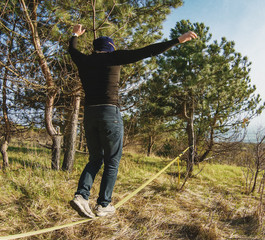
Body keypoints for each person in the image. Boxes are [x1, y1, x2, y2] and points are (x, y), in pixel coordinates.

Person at [68, 24, 197, 218]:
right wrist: (177, 40)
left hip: (90, 115)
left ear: (95, 49)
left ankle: (81, 195)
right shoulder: (115, 57)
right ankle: (104, 204)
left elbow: (72, 49)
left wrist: (75, 34)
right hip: (109, 114)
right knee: (112, 160)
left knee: (95, 159)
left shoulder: (84, 61)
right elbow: (149, 51)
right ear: (111, 48)